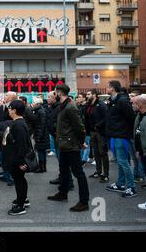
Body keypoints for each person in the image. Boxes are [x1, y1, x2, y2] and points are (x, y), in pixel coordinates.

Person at [48, 84, 90, 212]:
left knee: (78, 173)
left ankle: (84, 202)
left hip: (71, 145)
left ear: (59, 93)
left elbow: (80, 127)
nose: (54, 94)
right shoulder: (64, 105)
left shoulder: (70, 106)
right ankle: (62, 193)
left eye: (55, 92)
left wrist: (81, 142)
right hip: (64, 144)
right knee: (64, 170)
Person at [105, 81, 137, 198]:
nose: (106, 88)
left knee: (123, 162)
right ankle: (120, 184)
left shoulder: (122, 101)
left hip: (121, 135)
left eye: (108, 86)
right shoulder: (113, 100)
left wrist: (124, 130)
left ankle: (131, 187)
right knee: (120, 161)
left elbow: (131, 118)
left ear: (112, 88)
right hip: (114, 135)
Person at [4, 100, 33, 215]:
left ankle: (21, 206)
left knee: (19, 180)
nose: (8, 110)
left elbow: (21, 145)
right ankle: (23, 199)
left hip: (18, 159)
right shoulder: (18, 122)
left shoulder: (18, 125)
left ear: (14, 110)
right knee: (20, 179)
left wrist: (21, 162)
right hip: (16, 157)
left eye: (10, 108)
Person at [85, 90, 109, 182]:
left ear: (94, 95)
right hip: (92, 132)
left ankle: (105, 174)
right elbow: (87, 118)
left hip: (100, 132)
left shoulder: (101, 105)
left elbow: (106, 118)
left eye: (88, 94)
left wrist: (97, 125)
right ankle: (98, 171)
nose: (87, 96)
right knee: (96, 153)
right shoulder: (89, 105)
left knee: (103, 153)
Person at [31, 96, 50, 173]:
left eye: (34, 103)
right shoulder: (40, 110)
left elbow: (41, 125)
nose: (33, 104)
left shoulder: (40, 112)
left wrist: (38, 136)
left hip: (41, 135)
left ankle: (41, 168)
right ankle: (43, 167)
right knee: (41, 151)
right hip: (42, 134)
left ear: (38, 104)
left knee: (40, 152)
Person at [46, 91, 58, 157]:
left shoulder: (58, 107)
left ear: (54, 98)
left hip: (58, 135)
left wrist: (55, 129)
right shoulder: (50, 107)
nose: (47, 98)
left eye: (49, 97)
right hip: (53, 133)